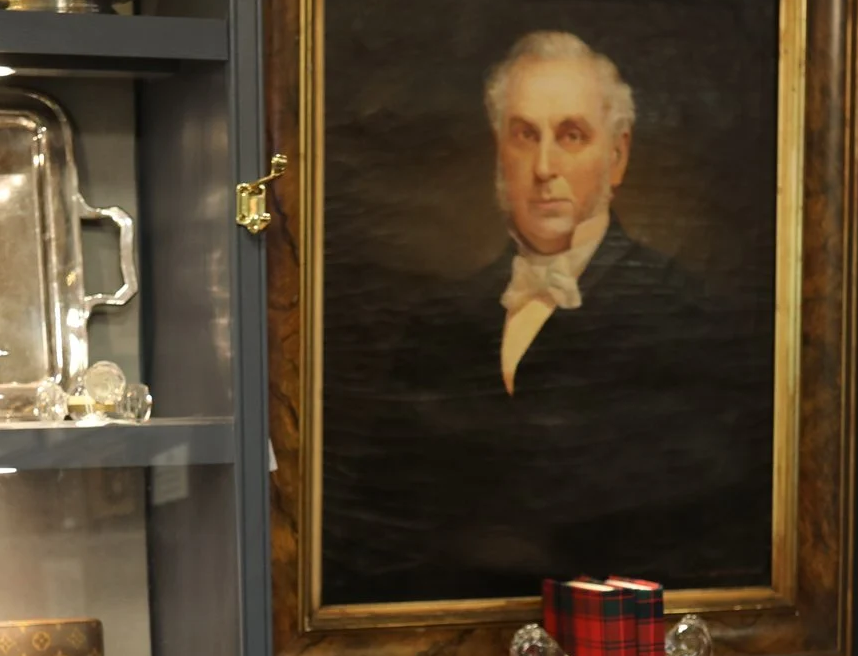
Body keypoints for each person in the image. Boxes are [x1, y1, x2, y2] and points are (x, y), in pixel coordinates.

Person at [318, 30, 773, 607]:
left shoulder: (688, 316)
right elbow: (375, 525)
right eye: (524, 135)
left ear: (617, 156)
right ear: (499, 152)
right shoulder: (436, 323)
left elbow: (705, 535)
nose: (543, 165)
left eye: (572, 136)